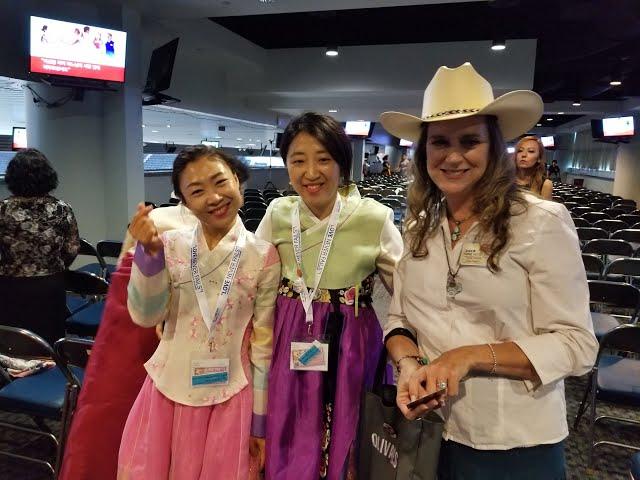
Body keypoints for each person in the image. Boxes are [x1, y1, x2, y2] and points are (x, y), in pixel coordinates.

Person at [379, 62, 597, 479]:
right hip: (428, 433)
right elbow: (399, 319)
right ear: (424, 152)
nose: (453, 155)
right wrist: (408, 364)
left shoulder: (539, 222)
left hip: (513, 443)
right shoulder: (419, 225)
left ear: (494, 147)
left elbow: (577, 345)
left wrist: (468, 357)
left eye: (470, 141)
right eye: (440, 142)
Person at [117, 146, 280, 479]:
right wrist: (148, 255)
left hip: (231, 394)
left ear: (237, 179)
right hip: (169, 388)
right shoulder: (168, 244)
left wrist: (260, 423)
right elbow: (145, 316)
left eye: (220, 182)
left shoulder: (264, 256)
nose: (214, 197)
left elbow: (263, 347)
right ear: (184, 201)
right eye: (197, 191)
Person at [256, 112, 403, 479]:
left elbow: (408, 288)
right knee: (289, 421)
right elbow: (249, 275)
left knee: (347, 424)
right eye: (298, 160)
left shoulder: (373, 217)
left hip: (349, 338)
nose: (310, 173)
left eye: (323, 159)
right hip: (289, 335)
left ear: (342, 161)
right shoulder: (278, 212)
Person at [0, 148, 80, 345]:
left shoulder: (2, 209)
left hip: (10, 285)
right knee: (50, 343)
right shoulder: (61, 208)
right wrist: (52, 264)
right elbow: (71, 248)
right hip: (50, 286)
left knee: (14, 344)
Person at [514, 135, 553, 199]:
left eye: (531, 151)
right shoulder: (504, 181)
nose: (523, 155)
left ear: (539, 158)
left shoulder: (546, 185)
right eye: (520, 151)